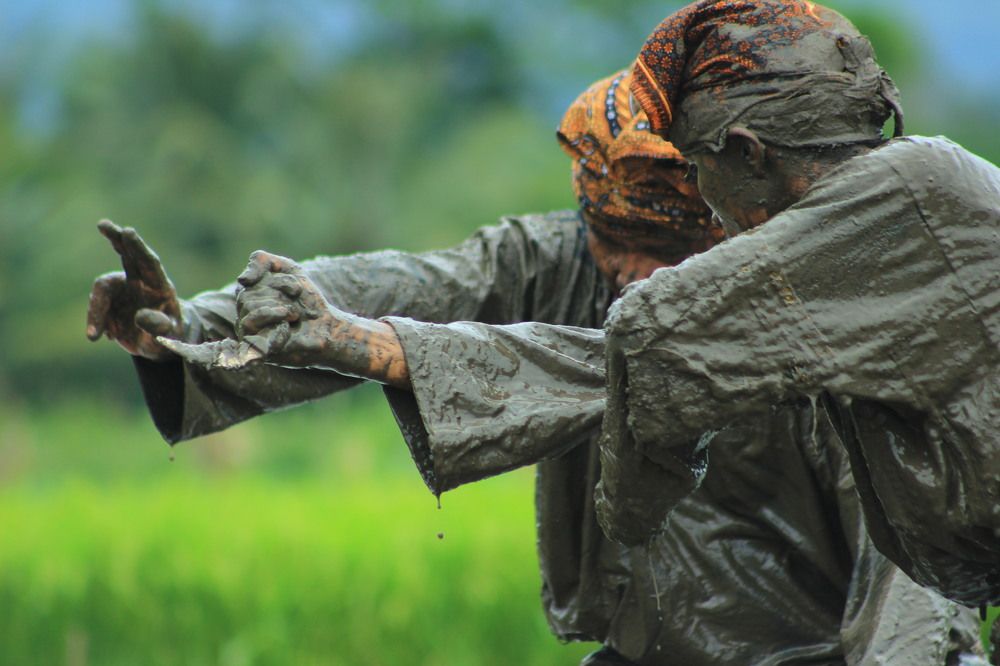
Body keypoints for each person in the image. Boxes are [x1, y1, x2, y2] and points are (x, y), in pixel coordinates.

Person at [90, 65, 987, 663]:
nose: (635, 273)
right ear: (586, 219)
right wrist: (192, 324)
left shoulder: (823, 320)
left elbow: (911, 568)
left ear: (730, 227)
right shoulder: (554, 265)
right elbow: (396, 294)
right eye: (614, 242)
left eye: (663, 247)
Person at [590, 0, 1000, 613]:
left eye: (700, 168)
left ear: (749, 154)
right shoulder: (910, 195)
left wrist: (626, 514)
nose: (706, 207)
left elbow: (655, 332)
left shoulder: (904, 196)